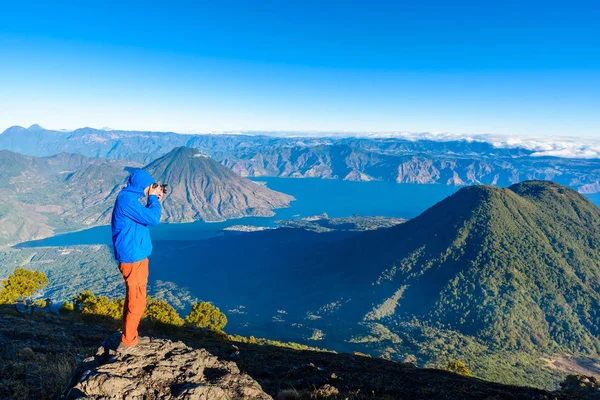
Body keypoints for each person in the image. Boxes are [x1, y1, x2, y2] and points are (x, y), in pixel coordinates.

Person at [111, 169, 164, 354]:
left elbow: (147, 217)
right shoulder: (127, 201)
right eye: (152, 185)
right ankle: (128, 343)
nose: (153, 189)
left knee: (134, 298)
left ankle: (129, 336)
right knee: (137, 301)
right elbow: (154, 219)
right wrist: (154, 199)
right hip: (133, 259)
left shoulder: (128, 199)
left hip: (136, 256)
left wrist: (154, 199)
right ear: (144, 185)